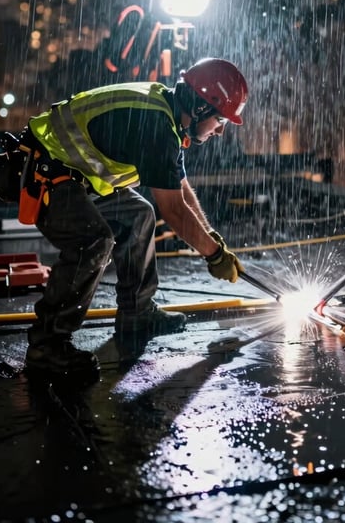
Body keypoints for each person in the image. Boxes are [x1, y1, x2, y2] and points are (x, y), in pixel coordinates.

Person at [13, 57, 249, 378]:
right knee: (93, 240)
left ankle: (137, 314)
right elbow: (176, 211)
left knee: (138, 215)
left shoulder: (166, 114)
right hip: (43, 169)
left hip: (73, 173)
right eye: (220, 120)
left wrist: (212, 238)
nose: (220, 131)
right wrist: (214, 255)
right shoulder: (156, 125)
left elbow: (179, 187)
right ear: (200, 109)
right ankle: (47, 345)